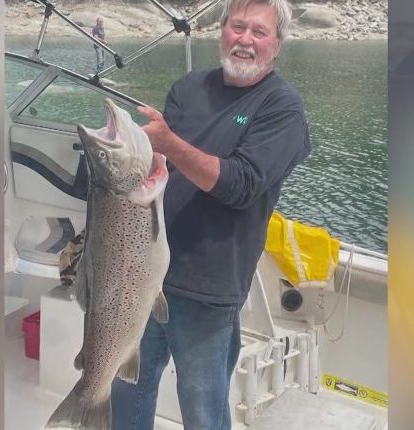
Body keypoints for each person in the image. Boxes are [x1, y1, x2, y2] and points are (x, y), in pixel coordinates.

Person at [110, 1, 310, 429]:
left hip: (210, 288)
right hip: (145, 271)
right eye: (238, 27)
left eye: (259, 33)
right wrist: (138, 153)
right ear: (221, 32)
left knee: (203, 408)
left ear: (278, 46)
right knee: (127, 389)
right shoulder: (188, 89)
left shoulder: (282, 108)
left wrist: (168, 144)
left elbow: (240, 185)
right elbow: (161, 167)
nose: (245, 40)